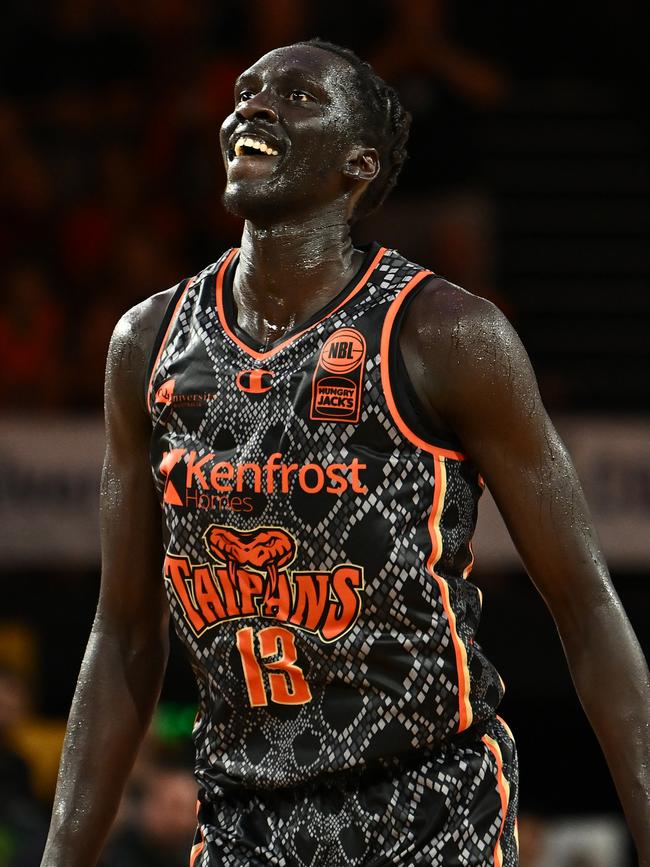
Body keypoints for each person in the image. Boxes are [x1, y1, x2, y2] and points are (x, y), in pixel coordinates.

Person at [41, 39, 650, 867]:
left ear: (359, 164)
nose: (251, 108)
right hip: (243, 824)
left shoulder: (447, 333)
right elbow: (121, 641)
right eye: (246, 93)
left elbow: (587, 609)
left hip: (432, 815)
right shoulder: (146, 343)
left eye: (296, 98)